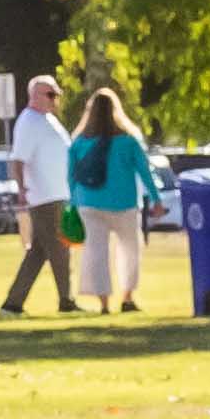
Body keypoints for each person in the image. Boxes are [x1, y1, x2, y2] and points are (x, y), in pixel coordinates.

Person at [66, 80, 160, 312]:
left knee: (96, 253)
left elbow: (71, 176)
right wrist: (156, 198)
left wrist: (73, 202)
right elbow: (144, 171)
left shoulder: (79, 141)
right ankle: (127, 297)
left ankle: (104, 303)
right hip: (124, 203)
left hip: (89, 203)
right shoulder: (128, 141)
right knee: (129, 251)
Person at [0, 76, 74, 316]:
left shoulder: (48, 120)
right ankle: (66, 300)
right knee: (60, 248)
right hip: (43, 196)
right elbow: (18, 160)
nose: (54, 100)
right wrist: (22, 190)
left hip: (57, 193)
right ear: (34, 95)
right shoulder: (29, 121)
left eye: (56, 95)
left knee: (39, 252)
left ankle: (12, 304)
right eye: (49, 95)